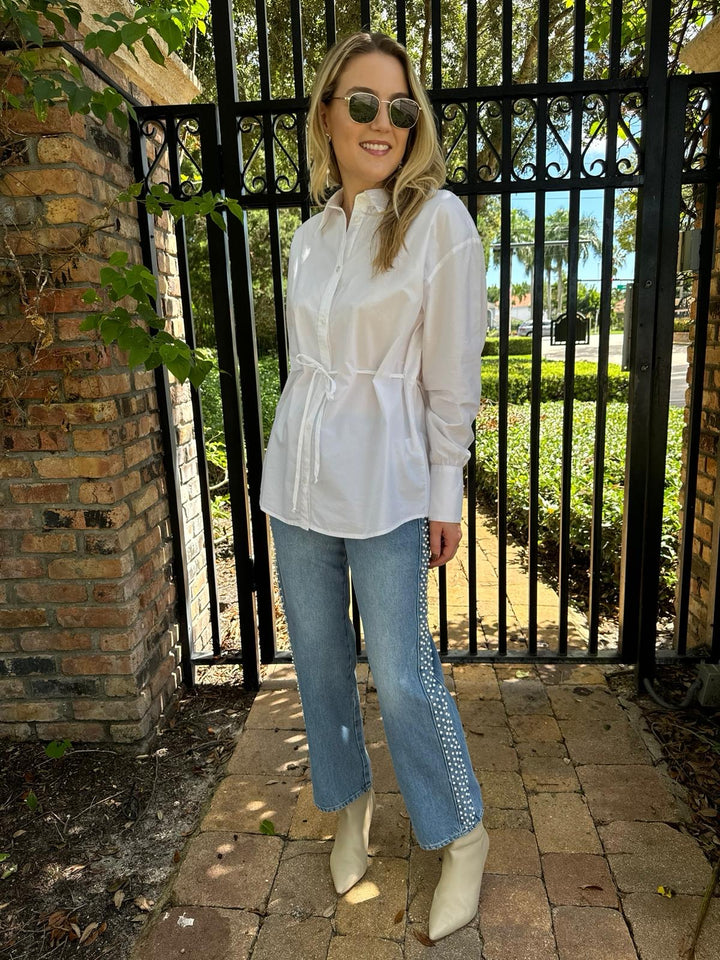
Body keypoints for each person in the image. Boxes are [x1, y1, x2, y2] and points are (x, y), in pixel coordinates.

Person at [259, 30, 488, 941]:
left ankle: (460, 832)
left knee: (400, 672)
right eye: (362, 102)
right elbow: (307, 369)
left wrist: (445, 491)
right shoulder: (308, 239)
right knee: (317, 666)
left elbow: (449, 379)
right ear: (327, 113)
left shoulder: (440, 225)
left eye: (400, 106)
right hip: (298, 485)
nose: (383, 121)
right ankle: (347, 803)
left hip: (388, 486)